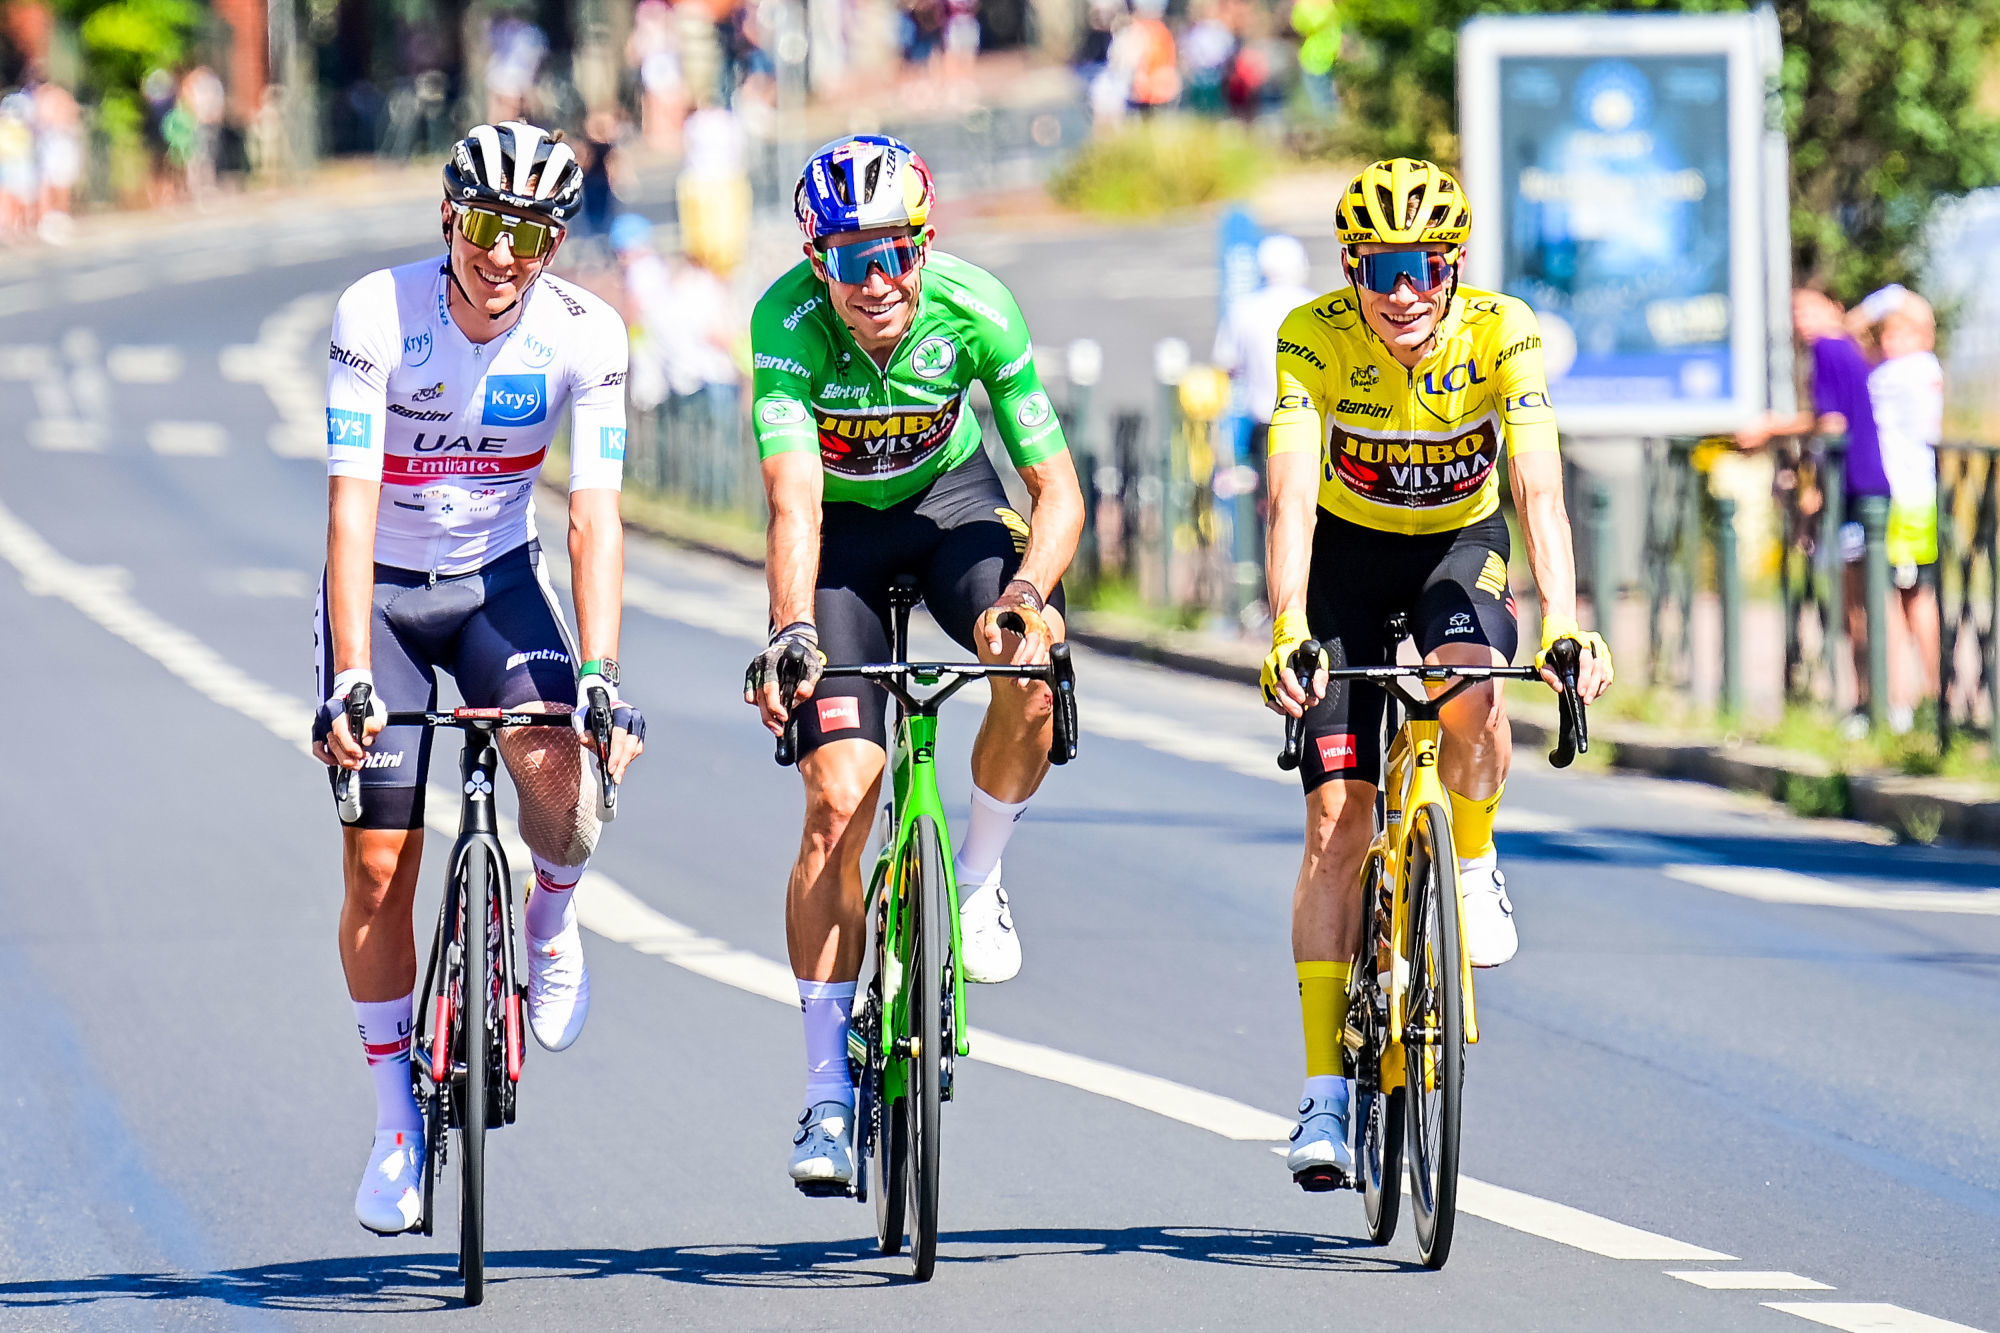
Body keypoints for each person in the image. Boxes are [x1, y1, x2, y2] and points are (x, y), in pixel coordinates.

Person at [314, 121, 646, 1235]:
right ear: (451, 218)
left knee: (562, 780)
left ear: (555, 245)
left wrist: (600, 674)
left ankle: (549, 920)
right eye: (488, 226)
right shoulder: (376, 314)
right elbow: (350, 506)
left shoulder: (586, 334)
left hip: (498, 579)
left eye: (532, 235)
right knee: (378, 866)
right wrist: (350, 676)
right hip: (384, 593)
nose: (504, 254)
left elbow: (594, 514)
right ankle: (394, 1127)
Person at [1261, 158, 1612, 1185]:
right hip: (1344, 558)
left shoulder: (1503, 330)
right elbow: (1288, 496)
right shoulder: (1311, 334)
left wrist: (1566, 621)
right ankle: (1324, 1095)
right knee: (1335, 823)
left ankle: (1470, 856)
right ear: (1351, 271)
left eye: (1425, 267)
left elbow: (1538, 488)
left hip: (1458, 547)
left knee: (1472, 684)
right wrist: (1286, 624)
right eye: (1380, 269)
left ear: (1455, 268)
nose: (1404, 292)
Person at [743, 135, 1084, 1192]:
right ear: (817, 261)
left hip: (951, 511)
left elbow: (1058, 490)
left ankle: (975, 876)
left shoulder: (977, 309)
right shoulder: (784, 324)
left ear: (925, 248)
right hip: (840, 540)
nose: (879, 280)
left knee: (1030, 663)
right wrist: (790, 627)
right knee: (838, 798)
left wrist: (1027, 595)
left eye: (896, 253)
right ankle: (824, 1092)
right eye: (852, 259)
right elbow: (794, 500)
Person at [1736, 289, 1890, 732]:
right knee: (1859, 604)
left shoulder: (1827, 347)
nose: (1801, 320)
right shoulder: (1847, 348)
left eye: (1810, 309)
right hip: (1861, 486)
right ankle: (1873, 704)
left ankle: (1869, 705)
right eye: (1795, 312)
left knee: (1855, 607)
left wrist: (1772, 428)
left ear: (1834, 309)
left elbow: (1831, 421)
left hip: (1855, 490)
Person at [1853, 285, 1944, 729]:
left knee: (1889, 599)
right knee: (1916, 596)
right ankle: (1933, 696)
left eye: (1900, 333)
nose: (1888, 342)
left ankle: (1901, 701)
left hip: (1901, 502)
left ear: (1922, 335)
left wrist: (1885, 298)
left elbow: (1850, 332)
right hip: (1918, 498)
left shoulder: (1897, 374)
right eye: (1886, 334)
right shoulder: (1927, 369)